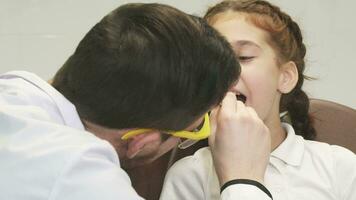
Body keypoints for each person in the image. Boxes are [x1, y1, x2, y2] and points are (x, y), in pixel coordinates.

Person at [0, 2, 274, 200]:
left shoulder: (14, 89)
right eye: (194, 129)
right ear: (140, 141)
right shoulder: (79, 174)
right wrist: (243, 179)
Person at [160, 0, 356, 200]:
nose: (222, 72)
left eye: (243, 57)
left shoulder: (339, 166)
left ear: (285, 77)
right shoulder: (189, 175)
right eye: (210, 60)